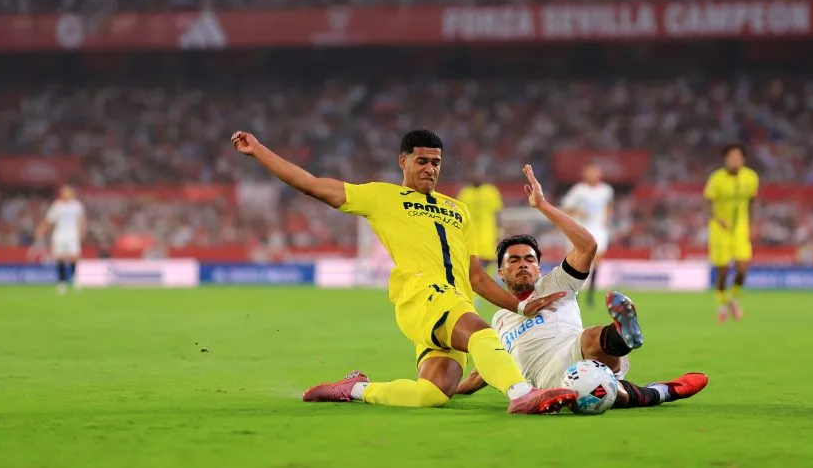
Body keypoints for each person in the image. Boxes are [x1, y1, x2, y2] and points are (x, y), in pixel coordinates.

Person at [231, 128, 578, 414]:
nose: (430, 168)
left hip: (455, 302)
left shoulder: (459, 210)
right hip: (422, 294)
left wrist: (518, 306)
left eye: (436, 162)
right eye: (422, 161)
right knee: (483, 333)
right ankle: (521, 395)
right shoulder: (382, 197)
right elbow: (311, 183)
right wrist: (259, 150)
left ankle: (356, 389)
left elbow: (476, 277)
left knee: (434, 393)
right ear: (404, 161)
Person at [455, 164, 708, 408]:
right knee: (608, 393)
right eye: (514, 260)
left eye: (530, 259)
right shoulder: (499, 319)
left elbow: (588, 246)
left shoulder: (556, 282)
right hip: (548, 384)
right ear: (500, 272)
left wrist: (542, 205)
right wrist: (450, 392)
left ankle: (622, 335)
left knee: (589, 340)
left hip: (581, 354)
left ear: (539, 268)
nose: (523, 264)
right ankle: (661, 391)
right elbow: (483, 372)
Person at [704, 143, 759, 322]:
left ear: (743, 159)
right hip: (720, 229)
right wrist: (717, 218)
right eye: (731, 157)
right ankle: (721, 306)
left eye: (738, 157)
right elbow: (707, 202)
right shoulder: (717, 178)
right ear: (725, 159)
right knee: (723, 271)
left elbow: (752, 201)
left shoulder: (751, 177)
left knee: (742, 268)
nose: (735, 160)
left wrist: (752, 224)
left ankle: (732, 299)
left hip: (741, 228)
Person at [560, 163, 613, 306]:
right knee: (576, 261)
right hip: (580, 229)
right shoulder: (578, 190)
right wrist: (578, 212)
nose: (593, 176)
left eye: (595, 173)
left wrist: (606, 219)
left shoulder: (606, 190)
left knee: (596, 260)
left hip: (598, 229)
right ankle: (574, 293)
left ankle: (590, 293)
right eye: (590, 173)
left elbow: (608, 206)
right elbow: (566, 207)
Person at [35, 185, 86, 294]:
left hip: (72, 235)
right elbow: (49, 220)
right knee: (60, 258)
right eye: (64, 192)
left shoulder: (77, 206)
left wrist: (81, 233)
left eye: (68, 192)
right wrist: (41, 229)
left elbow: (81, 220)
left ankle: (74, 280)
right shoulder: (57, 206)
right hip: (60, 235)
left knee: (73, 258)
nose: (67, 194)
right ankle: (61, 283)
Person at [456, 171, 504, 272]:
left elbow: (498, 212)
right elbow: (458, 214)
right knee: (471, 258)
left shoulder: (491, 191)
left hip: (488, 231)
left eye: (479, 175)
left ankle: (489, 280)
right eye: (474, 175)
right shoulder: (465, 193)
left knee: (490, 258)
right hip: (470, 232)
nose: (477, 177)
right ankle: (473, 283)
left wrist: (500, 230)